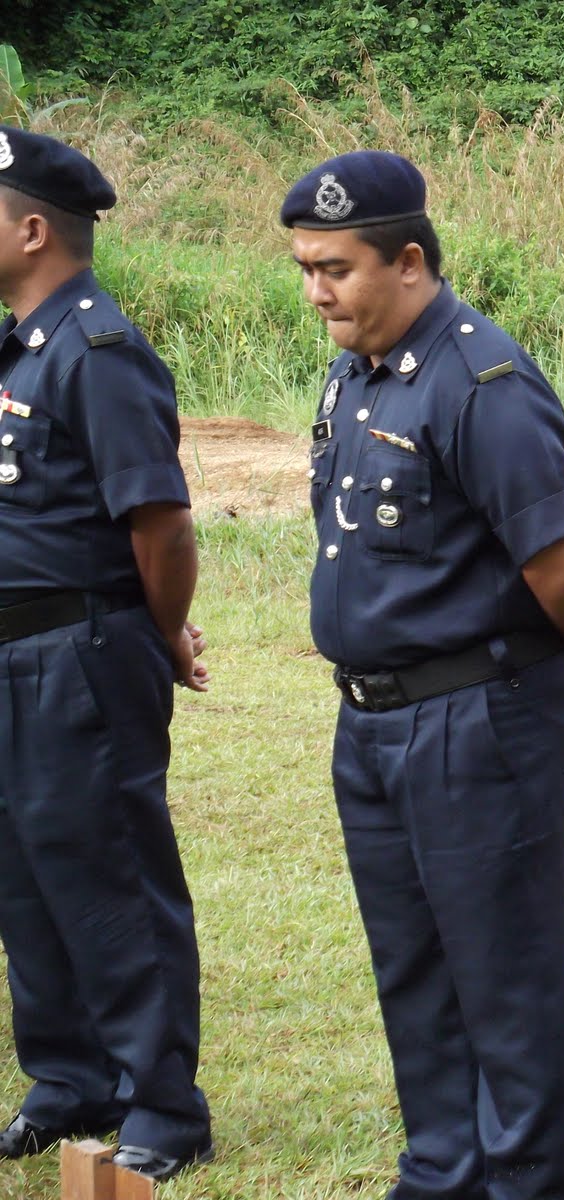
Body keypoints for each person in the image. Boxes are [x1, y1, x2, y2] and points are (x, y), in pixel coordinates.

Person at [280, 151, 564, 1200]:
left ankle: (528, 1183)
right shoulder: (357, 371)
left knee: (503, 975)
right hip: (373, 723)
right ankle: (443, 1170)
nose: (316, 289)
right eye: (304, 268)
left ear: (409, 261)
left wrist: (519, 667)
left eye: (335, 267)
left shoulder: (482, 383)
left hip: (477, 717)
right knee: (413, 969)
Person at [0, 126, 213, 1181]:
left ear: (33, 229)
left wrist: (160, 627)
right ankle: (68, 1078)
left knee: (111, 874)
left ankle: (162, 1104)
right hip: (12, 657)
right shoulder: (19, 347)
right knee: (27, 876)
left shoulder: (98, 353)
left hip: (78, 652)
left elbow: (161, 525)